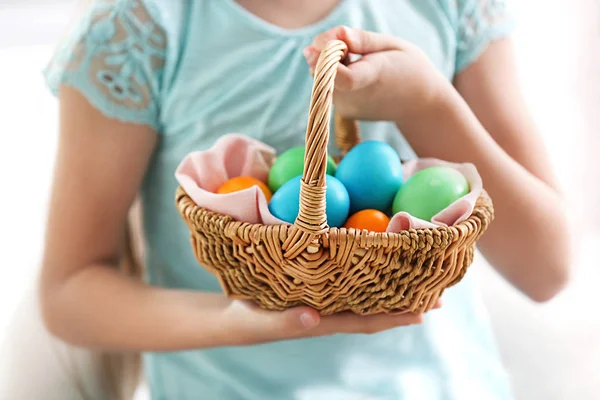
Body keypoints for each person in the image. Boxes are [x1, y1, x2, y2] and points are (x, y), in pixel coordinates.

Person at [30, 0, 572, 398]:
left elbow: (546, 269)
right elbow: (70, 290)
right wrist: (233, 320)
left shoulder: (447, 7)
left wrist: (428, 106)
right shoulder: (141, 29)